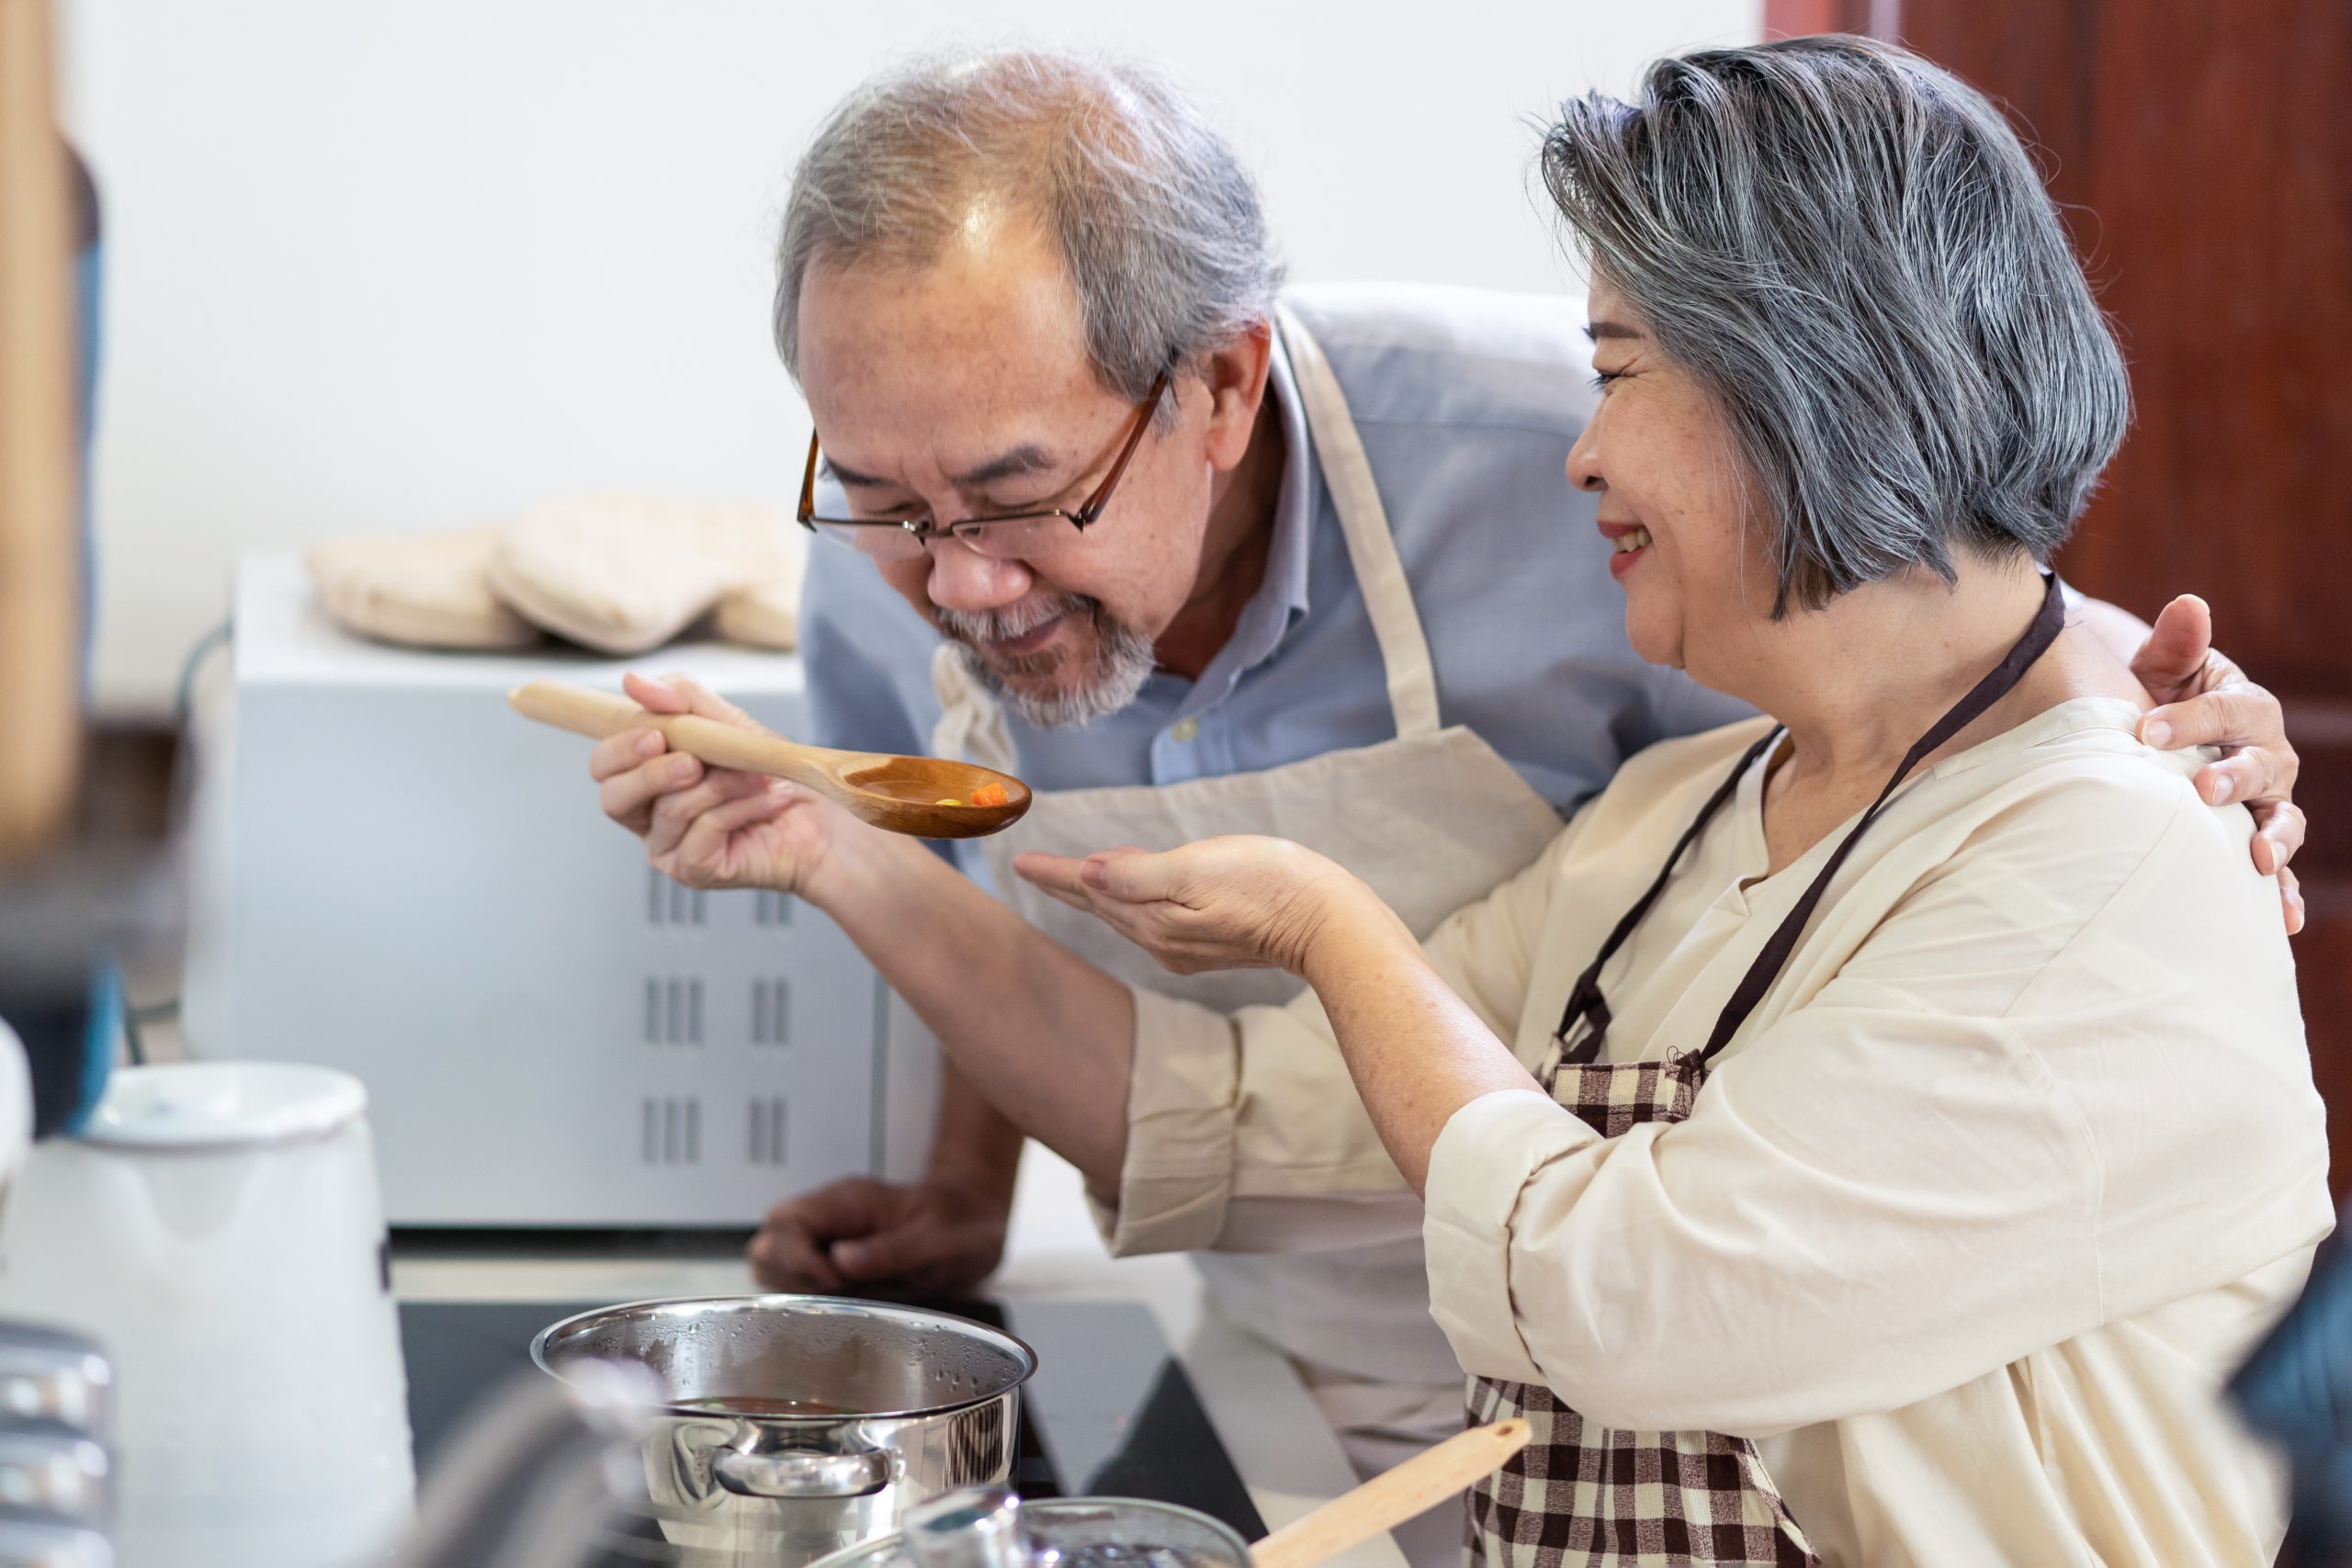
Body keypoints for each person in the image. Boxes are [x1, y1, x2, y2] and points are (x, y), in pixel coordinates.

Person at [597, 44, 2314, 1562]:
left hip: (1532, 1352)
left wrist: (1326, 926)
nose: (951, 578)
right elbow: (1217, 1116)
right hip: (1394, 1397)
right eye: (888, 502)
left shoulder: (2103, 858)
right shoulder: (1682, 815)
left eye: (1625, 369)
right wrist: (832, 855)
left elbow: (1630, 1305)